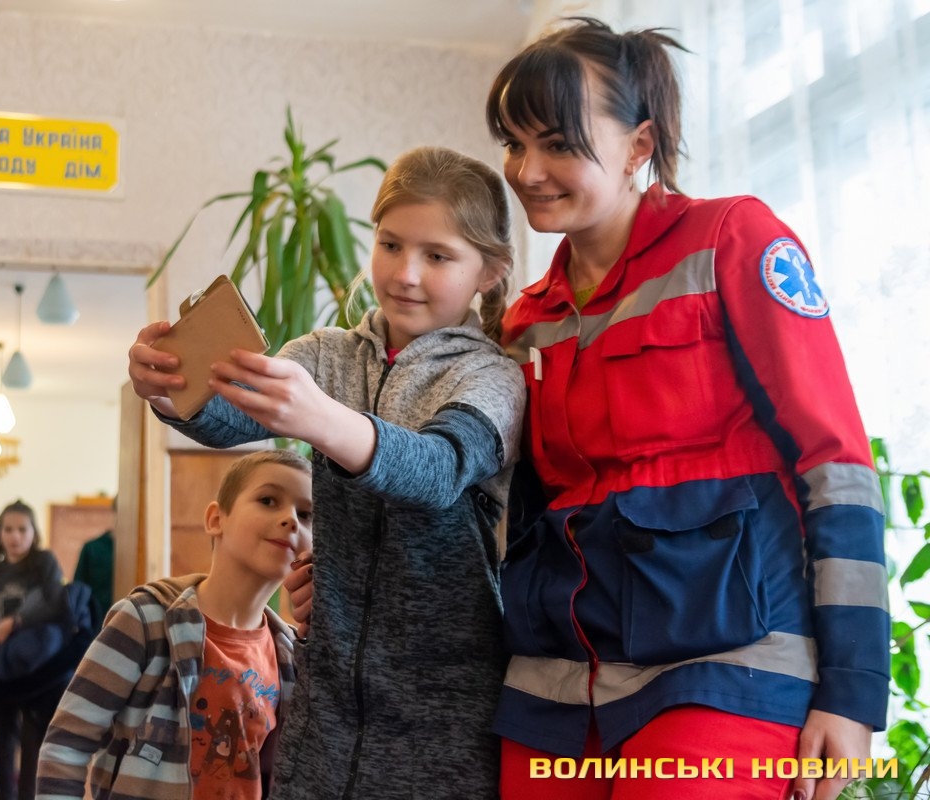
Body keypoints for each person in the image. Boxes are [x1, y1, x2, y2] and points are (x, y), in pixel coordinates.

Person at [485, 17, 888, 800]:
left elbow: (835, 463)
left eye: (558, 144)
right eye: (513, 143)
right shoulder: (523, 321)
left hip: (727, 666)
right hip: (555, 687)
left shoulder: (732, 240)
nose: (527, 171)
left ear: (639, 145)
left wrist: (853, 689)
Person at [126, 146, 526, 799]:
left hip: (446, 724)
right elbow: (230, 419)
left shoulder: (492, 377)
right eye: (390, 245)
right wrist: (171, 392)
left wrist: (321, 419)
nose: (405, 273)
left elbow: (439, 469)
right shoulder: (325, 354)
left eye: (437, 256)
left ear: (490, 270)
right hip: (324, 718)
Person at [35, 449, 314, 800]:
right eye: (268, 500)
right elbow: (67, 744)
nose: (291, 519)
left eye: (306, 514)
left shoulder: (290, 651)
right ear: (216, 519)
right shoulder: (144, 620)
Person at [0, 500, 67, 800]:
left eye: (21, 529)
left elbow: (55, 604)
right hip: (2, 665)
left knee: (34, 742)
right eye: (8, 529)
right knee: (2, 741)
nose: (15, 536)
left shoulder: (44, 562)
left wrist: (15, 622)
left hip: (39, 667)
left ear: (33, 532)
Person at [72, 496, 115, 621]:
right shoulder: (92, 548)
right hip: (96, 623)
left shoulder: (140, 553)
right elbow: (79, 591)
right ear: (114, 513)